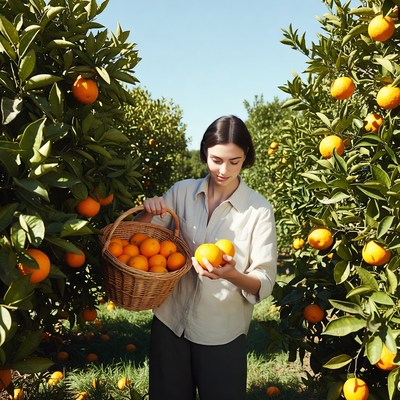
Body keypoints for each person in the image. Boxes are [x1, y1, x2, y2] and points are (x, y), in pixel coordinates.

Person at [135, 115, 277, 400]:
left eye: (234, 161)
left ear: (245, 157)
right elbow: (140, 240)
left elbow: (265, 281)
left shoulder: (258, 210)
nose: (223, 170)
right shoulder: (182, 192)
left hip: (221, 333)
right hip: (170, 322)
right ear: (204, 153)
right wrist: (149, 211)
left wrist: (232, 274)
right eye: (216, 160)